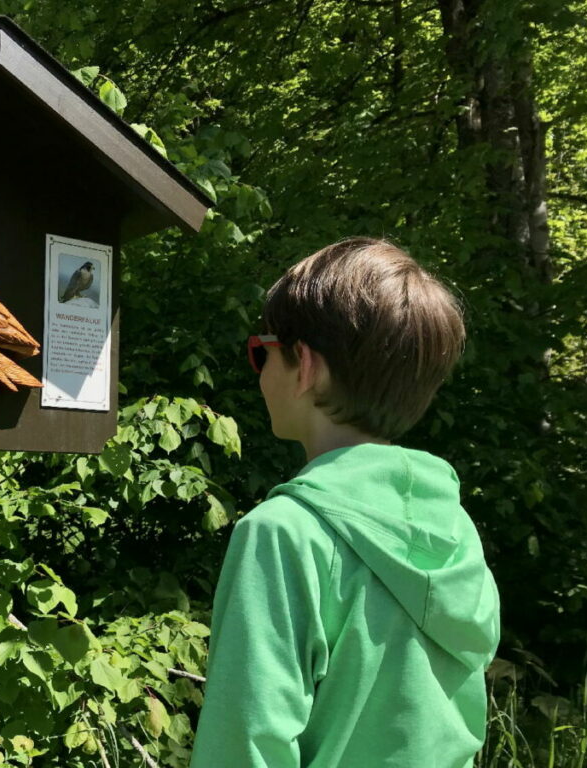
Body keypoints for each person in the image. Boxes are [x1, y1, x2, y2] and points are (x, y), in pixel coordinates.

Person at [189, 238, 501, 767]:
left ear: (304, 365)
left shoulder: (283, 532)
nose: (258, 369)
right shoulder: (450, 523)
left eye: (260, 351)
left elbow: (244, 743)